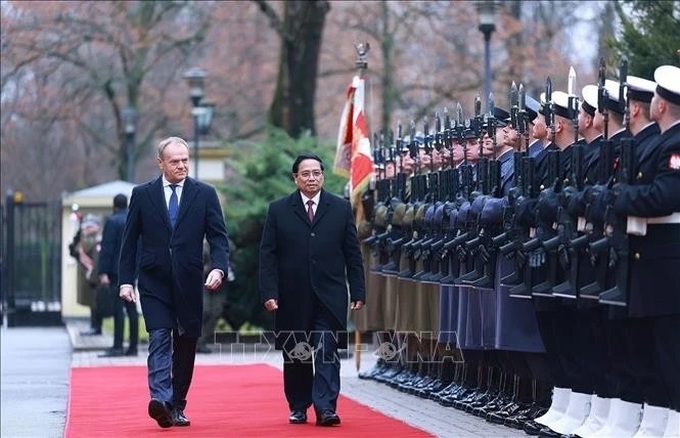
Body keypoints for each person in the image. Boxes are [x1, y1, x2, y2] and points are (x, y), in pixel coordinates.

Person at [118, 136, 230, 428]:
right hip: (154, 280)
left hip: (190, 280)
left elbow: (218, 236)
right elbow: (129, 242)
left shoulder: (204, 194)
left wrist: (218, 268)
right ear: (160, 163)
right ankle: (159, 397)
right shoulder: (142, 195)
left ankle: (176, 404)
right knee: (158, 336)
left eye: (185, 160)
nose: (181, 165)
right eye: (175, 161)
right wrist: (125, 281)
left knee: (185, 343)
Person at [259, 152, 366, 427]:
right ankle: (298, 405)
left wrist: (358, 290)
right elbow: (267, 255)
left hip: (329, 295)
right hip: (292, 296)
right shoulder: (279, 209)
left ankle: (326, 407)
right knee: (297, 353)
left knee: (326, 351)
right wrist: (269, 292)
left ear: (323, 176)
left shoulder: (340, 208)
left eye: (316, 173)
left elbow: (352, 254)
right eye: (305, 174)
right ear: (295, 178)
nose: (311, 178)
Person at [98, 193, 139, 357]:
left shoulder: (112, 221)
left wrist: (103, 272)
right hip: (132, 268)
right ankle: (133, 347)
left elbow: (107, 249)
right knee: (131, 308)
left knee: (118, 309)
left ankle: (117, 346)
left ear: (114, 206)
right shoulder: (134, 219)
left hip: (116, 270)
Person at [196, 238, 236, 354]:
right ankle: (194, 340)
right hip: (203, 282)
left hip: (221, 284)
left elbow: (234, 261)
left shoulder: (228, 244)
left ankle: (201, 341)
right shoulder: (201, 243)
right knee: (205, 310)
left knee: (216, 311)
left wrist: (229, 269)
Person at [72, 214, 103, 336]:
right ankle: (93, 326)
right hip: (89, 275)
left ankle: (96, 327)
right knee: (92, 303)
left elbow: (86, 248)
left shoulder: (95, 238)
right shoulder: (86, 237)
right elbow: (75, 249)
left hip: (94, 275)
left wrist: (84, 235)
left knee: (95, 303)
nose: (86, 229)